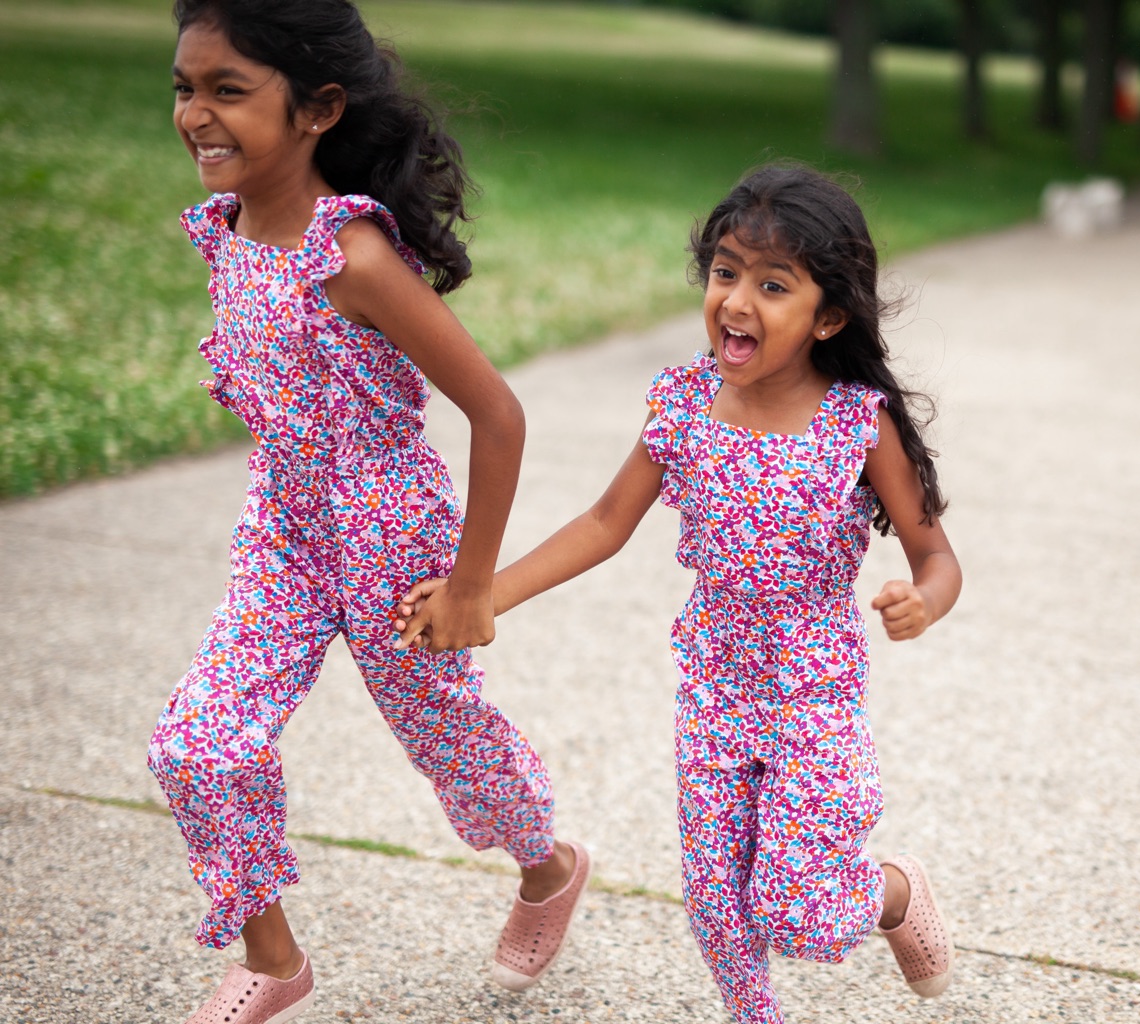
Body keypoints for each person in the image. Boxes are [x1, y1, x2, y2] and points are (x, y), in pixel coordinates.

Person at [395, 164, 963, 1024]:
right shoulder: (683, 405)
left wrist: (924, 599)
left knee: (803, 915)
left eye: (774, 286)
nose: (737, 301)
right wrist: (485, 596)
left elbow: (936, 554)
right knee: (714, 902)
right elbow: (604, 521)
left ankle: (890, 893)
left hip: (813, 692)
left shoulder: (858, 422)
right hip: (713, 685)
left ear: (829, 317)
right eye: (726, 273)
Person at [146, 3, 587, 1021]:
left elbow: (497, 413)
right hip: (285, 533)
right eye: (184, 87)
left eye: (227, 90)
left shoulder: (354, 257)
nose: (196, 114)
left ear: (319, 108)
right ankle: (272, 959)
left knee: (453, 743)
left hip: (393, 539)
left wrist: (475, 581)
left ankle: (548, 864)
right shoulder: (225, 231)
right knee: (198, 743)